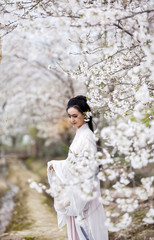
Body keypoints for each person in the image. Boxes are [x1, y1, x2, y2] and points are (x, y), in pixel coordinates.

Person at [47, 95, 108, 240]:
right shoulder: (80, 134)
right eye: (69, 116)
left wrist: (57, 165)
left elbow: (87, 166)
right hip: (79, 188)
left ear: (85, 115)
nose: (72, 120)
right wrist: (58, 165)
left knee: (87, 229)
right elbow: (75, 162)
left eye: (75, 115)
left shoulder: (86, 136)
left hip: (86, 191)